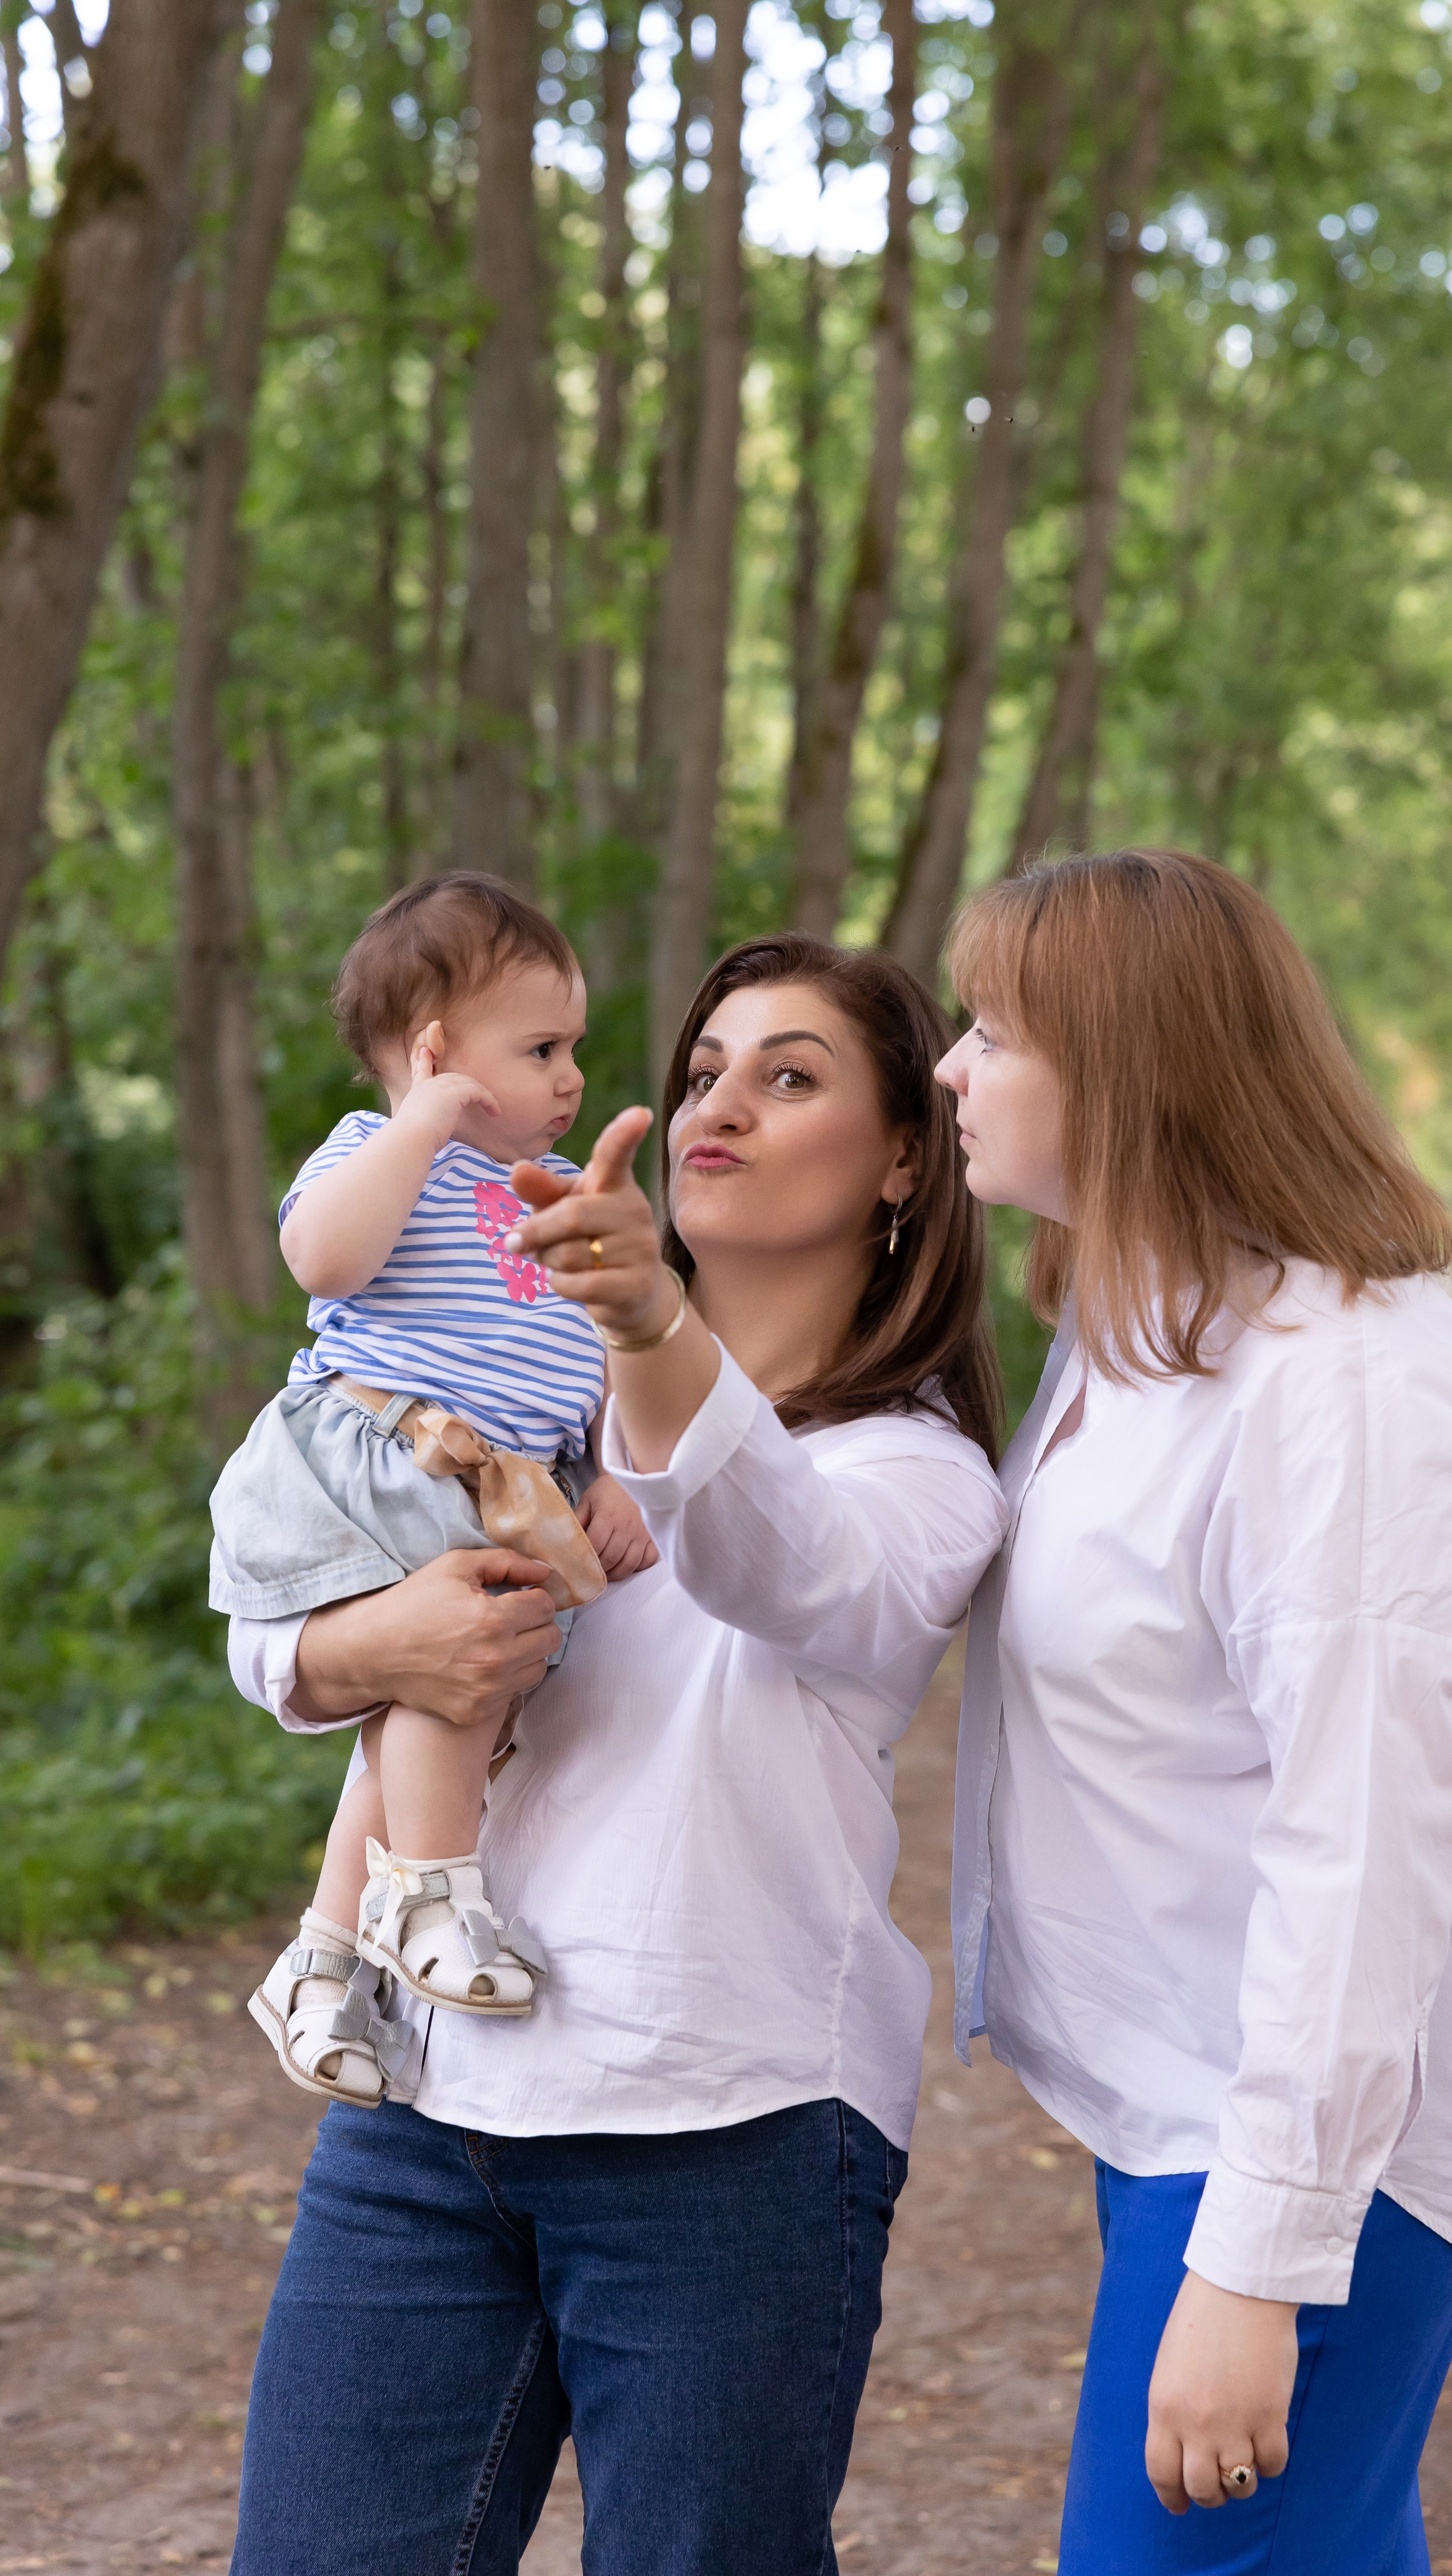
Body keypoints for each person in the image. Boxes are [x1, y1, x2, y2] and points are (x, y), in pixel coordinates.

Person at [226, 932, 1007, 2576]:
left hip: (729, 2135)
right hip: (423, 2108)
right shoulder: (530, 1405)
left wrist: (652, 1320)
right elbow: (295, 1578)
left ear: (901, 1163)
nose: (718, 1101)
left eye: (789, 1077)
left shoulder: (914, 1473)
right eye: (707, 1064)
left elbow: (767, 1558)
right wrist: (343, 1650)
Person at [937, 850, 1452, 2575]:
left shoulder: (1348, 1390)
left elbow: (1364, 1844)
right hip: (1196, 2104)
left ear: (1133, 1068)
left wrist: (1258, 2261)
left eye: (995, 1030)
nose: (950, 1066)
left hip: (1314, 2144)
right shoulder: (1144, 1330)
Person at [211, 873, 655, 2106]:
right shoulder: (376, 1152)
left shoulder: (556, 1187)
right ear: (436, 1052)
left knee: (447, 1697)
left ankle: (324, 1959)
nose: (572, 1075)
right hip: (382, 1455)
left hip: (511, 1481)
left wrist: (614, 1470)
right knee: (459, 1675)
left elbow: (612, 1349)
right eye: (543, 1047)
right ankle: (434, 1899)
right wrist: (421, 1124)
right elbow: (324, 1260)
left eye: (574, 1045)